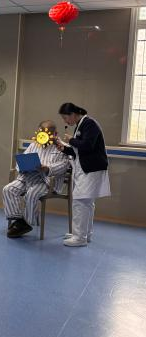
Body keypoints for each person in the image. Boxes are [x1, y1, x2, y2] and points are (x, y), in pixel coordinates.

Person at [2, 120, 70, 238]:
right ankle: (19, 220)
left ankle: (27, 223)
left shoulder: (63, 147)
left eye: (46, 133)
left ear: (55, 134)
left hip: (46, 182)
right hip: (27, 177)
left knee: (32, 194)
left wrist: (47, 168)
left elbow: (64, 166)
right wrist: (23, 166)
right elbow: (21, 161)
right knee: (8, 189)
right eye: (40, 132)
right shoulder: (34, 144)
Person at [57, 103, 110, 247]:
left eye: (65, 118)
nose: (65, 121)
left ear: (73, 114)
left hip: (91, 170)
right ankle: (83, 234)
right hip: (87, 169)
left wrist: (71, 140)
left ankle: (79, 237)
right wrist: (63, 148)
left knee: (80, 202)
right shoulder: (81, 125)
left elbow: (87, 146)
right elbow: (77, 151)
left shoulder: (89, 124)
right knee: (86, 203)